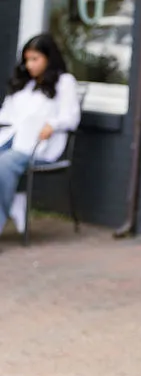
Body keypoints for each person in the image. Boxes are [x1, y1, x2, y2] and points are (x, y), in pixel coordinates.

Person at [0, 33, 81, 235]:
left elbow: (71, 116)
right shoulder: (24, 84)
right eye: (27, 60)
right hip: (10, 139)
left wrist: (52, 124)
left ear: (49, 58)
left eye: (35, 59)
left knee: (5, 164)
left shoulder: (64, 82)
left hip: (39, 147)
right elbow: (6, 114)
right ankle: (15, 202)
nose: (30, 65)